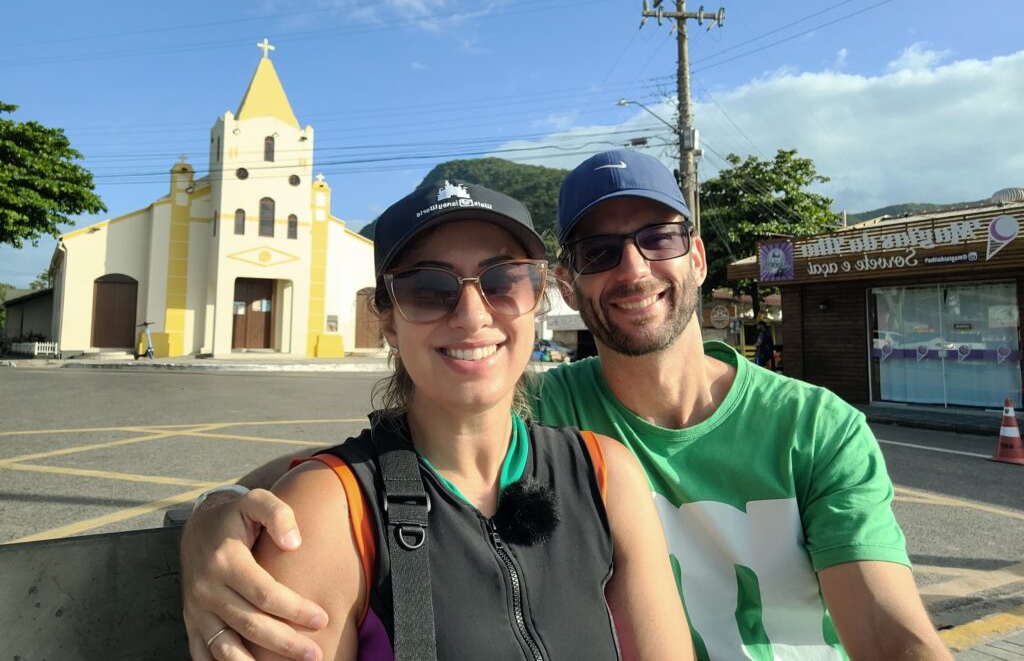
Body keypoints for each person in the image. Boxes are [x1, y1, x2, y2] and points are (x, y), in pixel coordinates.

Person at [181, 150, 951, 661]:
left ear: (700, 256)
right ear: (572, 284)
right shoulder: (542, 409)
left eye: (658, 238)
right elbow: (370, 473)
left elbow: (889, 632)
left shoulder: (811, 428)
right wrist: (215, 512)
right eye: (598, 252)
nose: (634, 268)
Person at [189, 179, 691, 661]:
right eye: (429, 289)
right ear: (387, 319)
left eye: (503, 280)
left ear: (536, 298)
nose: (472, 316)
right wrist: (211, 513)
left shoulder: (606, 475)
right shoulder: (328, 516)